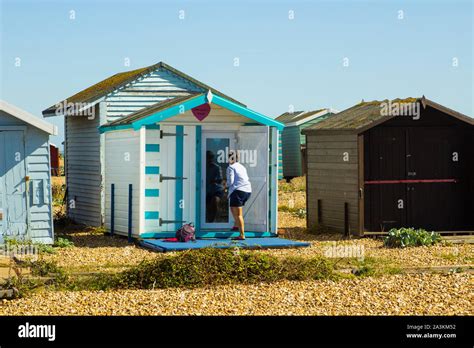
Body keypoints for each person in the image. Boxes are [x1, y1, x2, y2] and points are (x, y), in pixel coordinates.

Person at [226, 150, 252, 240]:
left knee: (238, 214)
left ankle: (242, 235)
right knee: (233, 208)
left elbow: (231, 182)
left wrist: (225, 186)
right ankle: (236, 225)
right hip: (247, 191)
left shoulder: (231, 167)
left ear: (229, 158)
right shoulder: (242, 167)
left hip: (238, 191)